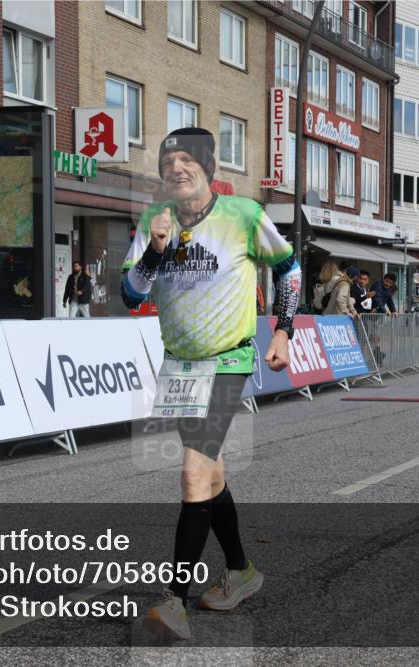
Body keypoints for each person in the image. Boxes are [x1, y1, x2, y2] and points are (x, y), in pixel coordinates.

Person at [121, 127, 298, 640]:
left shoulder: (243, 215)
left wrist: (283, 330)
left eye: (186, 159)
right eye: (167, 161)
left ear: (208, 168)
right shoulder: (154, 221)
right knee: (212, 477)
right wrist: (155, 251)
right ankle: (241, 572)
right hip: (179, 367)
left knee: (193, 475)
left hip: (228, 359)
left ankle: (172, 601)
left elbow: (288, 268)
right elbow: (132, 295)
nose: (176, 168)